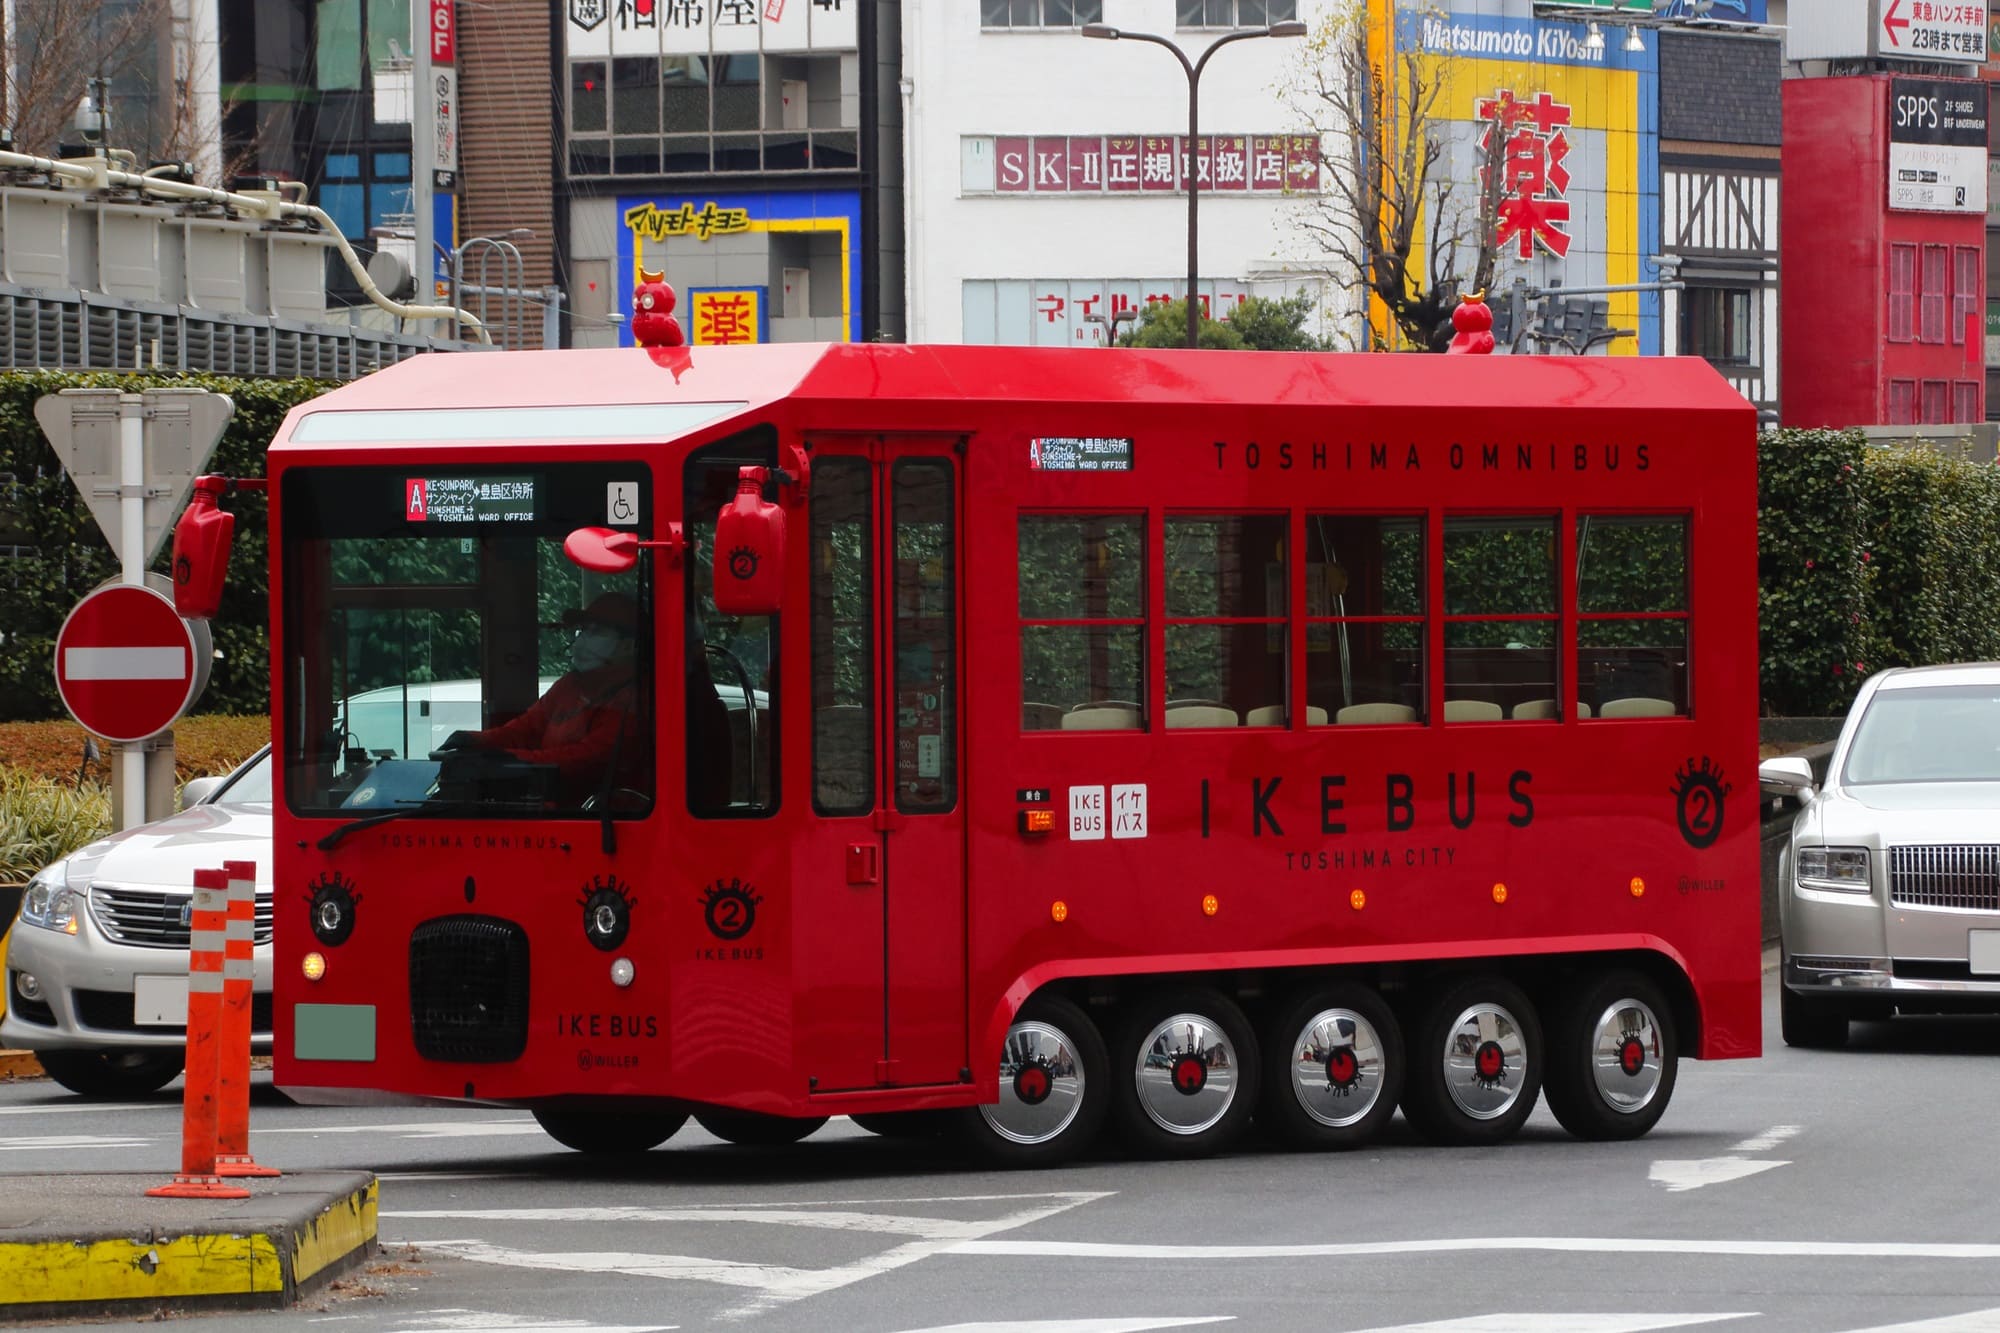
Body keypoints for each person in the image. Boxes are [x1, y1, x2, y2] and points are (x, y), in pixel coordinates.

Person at [438, 591, 647, 805]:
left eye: (597, 631)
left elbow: (589, 759)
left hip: (603, 816)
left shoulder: (633, 698)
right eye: (583, 630)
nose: (583, 640)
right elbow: (526, 729)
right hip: (554, 807)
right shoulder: (570, 686)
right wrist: (475, 741)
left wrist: (508, 762)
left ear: (628, 645)